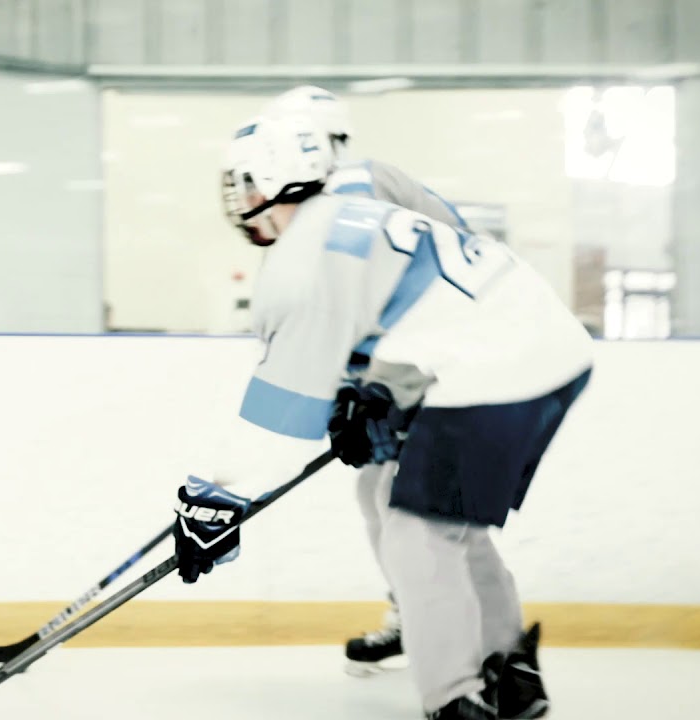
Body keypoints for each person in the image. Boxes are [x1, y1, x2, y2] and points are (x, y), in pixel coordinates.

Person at [171, 113, 593, 720]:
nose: (239, 199)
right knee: (428, 512)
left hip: (497, 370)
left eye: (244, 182)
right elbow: (416, 300)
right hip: (547, 350)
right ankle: (506, 670)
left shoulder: (301, 260)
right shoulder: (355, 208)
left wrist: (213, 498)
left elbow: (279, 408)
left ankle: (453, 700)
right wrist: (369, 393)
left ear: (274, 178)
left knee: (417, 529)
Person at [264, 85, 474, 676]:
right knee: (377, 494)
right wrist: (346, 393)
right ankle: (418, 619)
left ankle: (466, 643)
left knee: (412, 506)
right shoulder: (331, 200)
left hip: (444, 364)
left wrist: (374, 389)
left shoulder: (358, 187)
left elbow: (389, 296)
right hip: (419, 363)